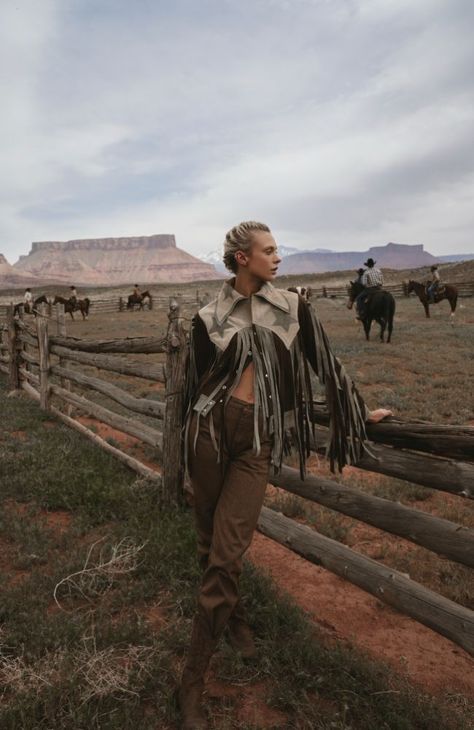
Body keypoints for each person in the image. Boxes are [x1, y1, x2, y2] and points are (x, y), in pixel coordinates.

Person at [179, 221, 391, 729]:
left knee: (227, 551)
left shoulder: (294, 308)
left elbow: (326, 364)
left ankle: (189, 684)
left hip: (256, 443)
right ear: (241, 259)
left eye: (277, 250)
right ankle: (238, 620)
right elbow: (192, 387)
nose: (278, 258)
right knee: (211, 545)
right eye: (268, 251)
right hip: (207, 436)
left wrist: (357, 410)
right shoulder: (207, 317)